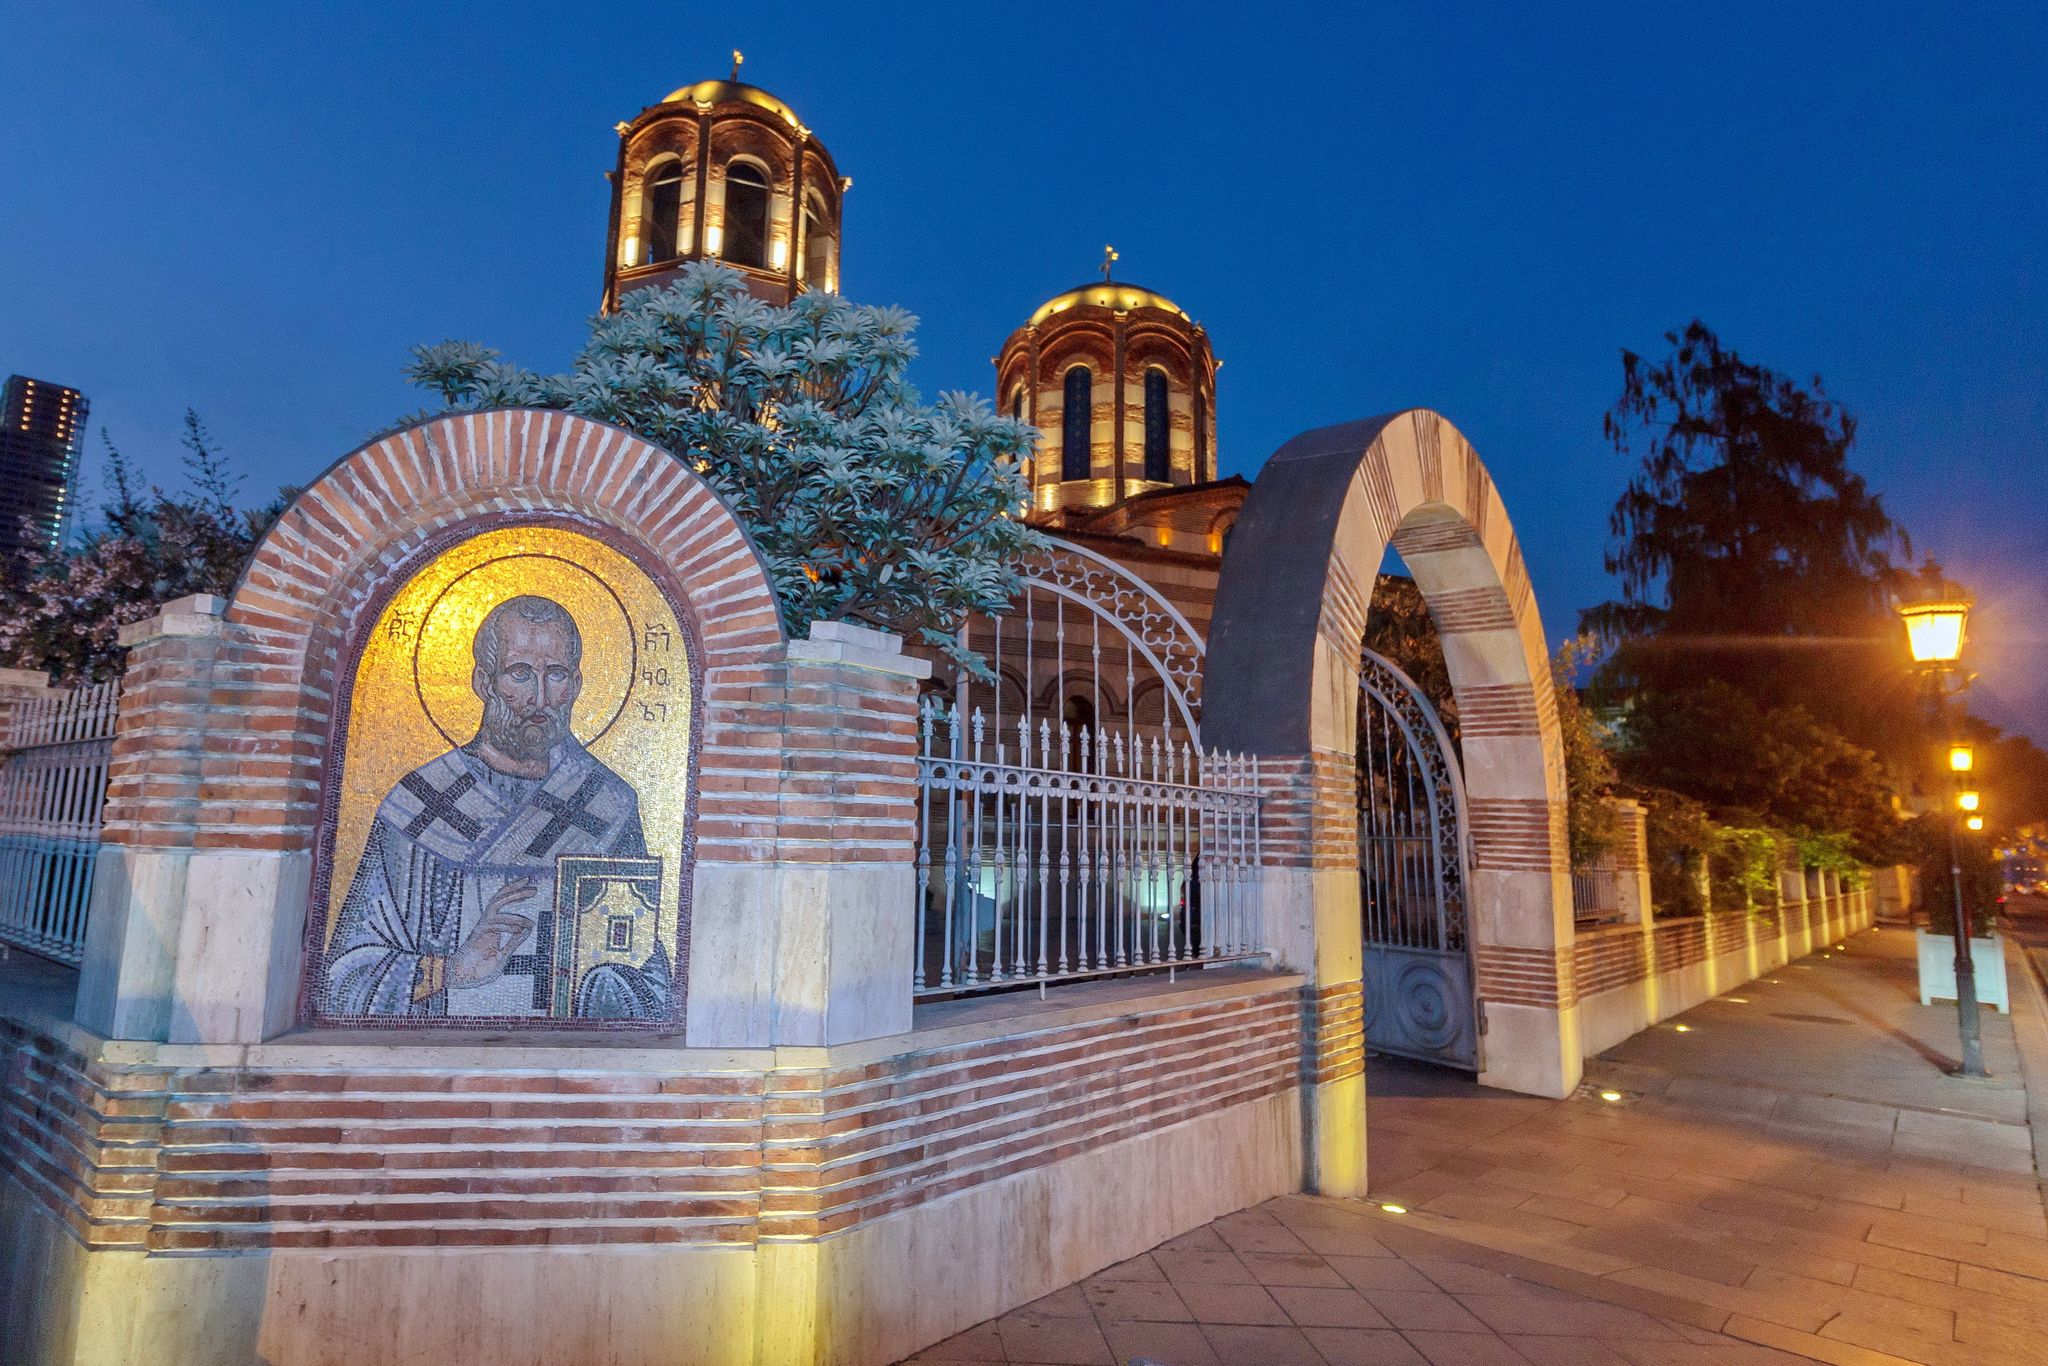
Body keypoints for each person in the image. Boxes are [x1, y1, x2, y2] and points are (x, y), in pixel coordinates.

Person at [322, 595, 669, 1020]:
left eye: (556, 675)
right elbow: (341, 981)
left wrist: (594, 980)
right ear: (484, 682)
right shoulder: (420, 803)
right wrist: (449, 971)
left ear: (576, 685)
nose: (540, 698)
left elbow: (650, 984)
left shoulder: (607, 804)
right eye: (520, 674)